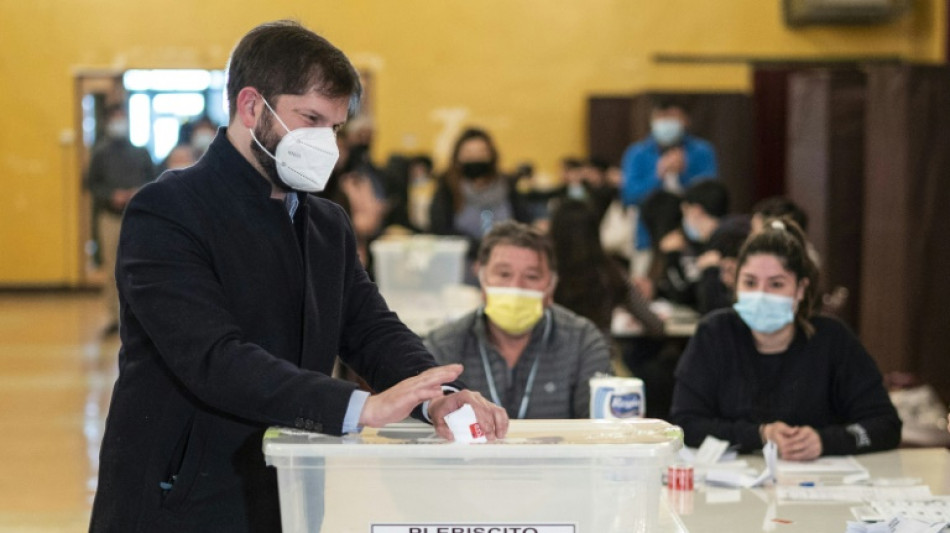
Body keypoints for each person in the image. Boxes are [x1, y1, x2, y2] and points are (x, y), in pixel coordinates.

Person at [89, 21, 507, 533]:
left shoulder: (325, 223)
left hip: (286, 488)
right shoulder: (168, 210)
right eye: (309, 118)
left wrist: (434, 395)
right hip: (180, 497)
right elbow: (213, 358)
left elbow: (370, 327)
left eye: (334, 127)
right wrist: (361, 407)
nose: (325, 143)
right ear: (250, 107)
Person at [669, 217, 901, 460]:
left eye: (776, 284)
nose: (761, 294)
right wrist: (759, 434)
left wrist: (825, 441)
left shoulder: (832, 339)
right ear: (735, 284)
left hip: (818, 486)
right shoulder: (714, 334)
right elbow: (684, 425)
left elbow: (886, 425)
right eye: (750, 282)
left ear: (800, 289)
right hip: (732, 487)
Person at [425, 221, 612, 419]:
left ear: (551, 286)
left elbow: (600, 428)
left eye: (531, 276)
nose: (516, 287)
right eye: (504, 274)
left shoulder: (583, 342)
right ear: (482, 279)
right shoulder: (444, 345)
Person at [85, 103, 156, 336]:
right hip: (110, 217)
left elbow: (155, 179)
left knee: (139, 267)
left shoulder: (140, 152)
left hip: (138, 218)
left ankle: (141, 316)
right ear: (107, 122)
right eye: (115, 118)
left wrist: (139, 191)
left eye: (122, 118)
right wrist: (111, 194)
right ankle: (114, 317)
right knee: (111, 269)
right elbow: (89, 183)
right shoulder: (100, 153)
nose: (119, 123)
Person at [429, 128, 533, 281]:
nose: (476, 158)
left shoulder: (507, 184)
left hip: (507, 264)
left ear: (491, 155)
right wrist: (478, 250)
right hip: (462, 266)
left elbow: (524, 222)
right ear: (458, 157)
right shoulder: (448, 186)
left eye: (481, 152)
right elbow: (440, 227)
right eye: (469, 153)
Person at [549, 199, 663, 337]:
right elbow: (654, 324)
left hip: (554, 355)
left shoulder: (544, 273)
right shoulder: (609, 272)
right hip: (601, 353)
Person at [621, 101, 718, 253]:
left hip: (695, 236)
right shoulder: (637, 153)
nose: (666, 124)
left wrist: (685, 173)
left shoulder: (702, 151)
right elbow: (629, 196)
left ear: (685, 120)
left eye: (672, 118)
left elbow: (713, 197)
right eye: (661, 118)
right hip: (648, 236)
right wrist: (658, 176)